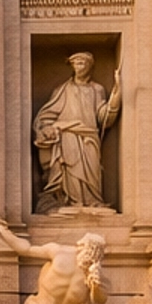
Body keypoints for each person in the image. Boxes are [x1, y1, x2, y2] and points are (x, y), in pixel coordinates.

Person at [33, 52, 120, 212]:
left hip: (89, 136)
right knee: (70, 169)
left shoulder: (97, 89)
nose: (79, 67)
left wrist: (116, 94)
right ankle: (70, 202)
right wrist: (46, 128)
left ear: (89, 66)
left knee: (92, 173)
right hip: (68, 136)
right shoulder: (62, 90)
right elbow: (47, 116)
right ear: (72, 67)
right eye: (76, 64)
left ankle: (91, 201)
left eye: (82, 63)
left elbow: (103, 116)